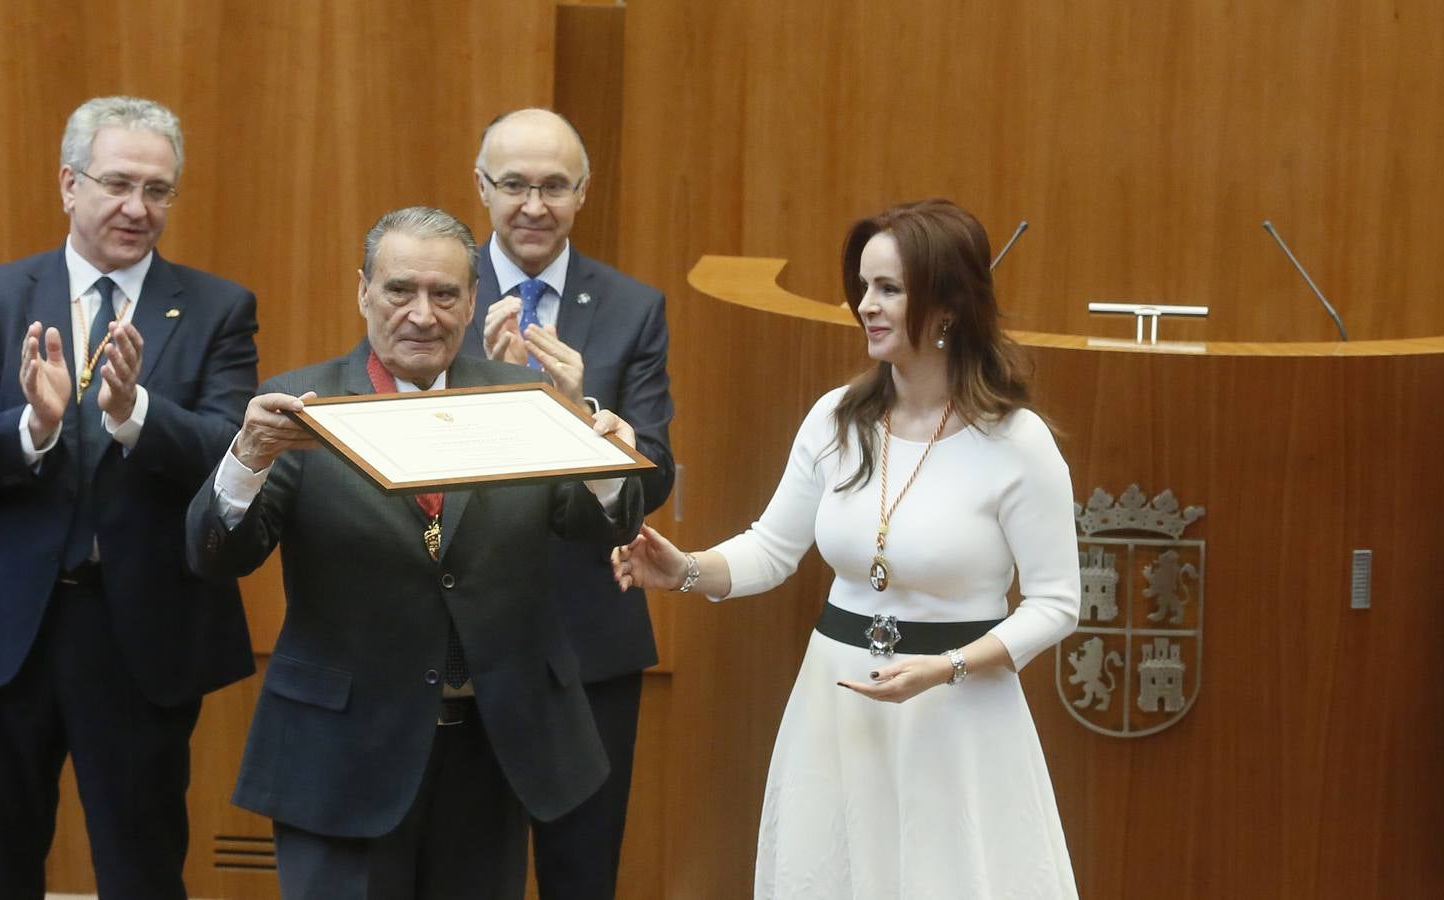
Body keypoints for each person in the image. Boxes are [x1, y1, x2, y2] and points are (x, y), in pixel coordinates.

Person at [612, 198, 1081, 898]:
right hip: (836, 705)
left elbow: (1056, 604)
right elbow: (771, 549)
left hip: (956, 716)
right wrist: (685, 570)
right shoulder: (836, 419)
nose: (866, 305)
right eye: (863, 286)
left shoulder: (1017, 441)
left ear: (948, 305)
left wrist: (946, 666)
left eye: (889, 289)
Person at [185, 206, 645, 900]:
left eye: (445, 294)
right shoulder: (300, 404)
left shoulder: (522, 399)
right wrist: (246, 459)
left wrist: (599, 455)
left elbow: (599, 523)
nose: (422, 315)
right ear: (363, 292)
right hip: (342, 756)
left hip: (494, 751)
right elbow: (216, 555)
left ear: (473, 301)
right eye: (400, 290)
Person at [0, 96, 259, 898]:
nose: (138, 207)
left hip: (141, 629)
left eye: (158, 190)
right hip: (5, 626)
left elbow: (228, 453)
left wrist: (134, 413)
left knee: (142, 870)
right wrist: (32, 427)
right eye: (118, 183)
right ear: (70, 184)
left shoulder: (218, 308)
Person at [461, 107, 675, 899]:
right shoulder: (436, 294)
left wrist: (579, 416)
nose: (533, 205)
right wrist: (484, 390)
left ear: (583, 193)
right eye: (514, 184)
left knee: (581, 874)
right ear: (482, 187)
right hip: (457, 633)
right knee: (460, 872)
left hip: (588, 636)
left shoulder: (630, 307)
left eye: (554, 186)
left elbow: (655, 477)